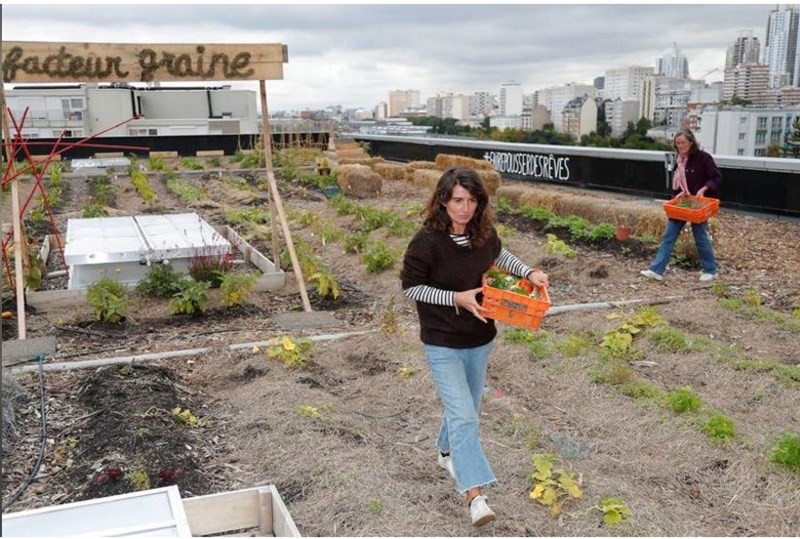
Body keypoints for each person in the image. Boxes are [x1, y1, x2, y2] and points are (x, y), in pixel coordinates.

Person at [400, 167, 549, 527]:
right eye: (458, 201)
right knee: (466, 416)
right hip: (442, 341)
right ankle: (475, 496)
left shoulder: (483, 234)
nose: (465, 208)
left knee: (466, 407)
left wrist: (529, 273)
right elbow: (411, 287)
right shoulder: (426, 242)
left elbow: (499, 257)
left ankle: (445, 451)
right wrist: (457, 298)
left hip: (480, 339)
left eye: (472, 201)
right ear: (443, 201)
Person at [641, 129, 722, 282]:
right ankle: (656, 270)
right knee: (669, 236)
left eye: (683, 142)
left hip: (699, 204)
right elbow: (677, 185)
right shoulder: (679, 159)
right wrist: (674, 200)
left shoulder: (704, 158)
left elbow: (716, 178)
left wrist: (704, 189)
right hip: (682, 202)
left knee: (700, 236)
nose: (680, 145)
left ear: (691, 142)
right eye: (678, 143)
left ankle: (710, 270)